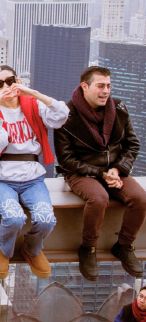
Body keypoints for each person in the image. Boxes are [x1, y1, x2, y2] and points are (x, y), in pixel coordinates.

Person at [54, 66, 145, 281]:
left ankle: (124, 245)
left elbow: (132, 144)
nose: (106, 91)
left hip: (114, 170)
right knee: (98, 198)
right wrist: (101, 173)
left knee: (140, 198)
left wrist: (117, 169)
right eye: (100, 86)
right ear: (85, 86)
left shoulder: (119, 109)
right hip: (81, 172)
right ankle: (88, 248)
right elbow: (66, 160)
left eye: (109, 86)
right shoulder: (67, 116)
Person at [0, 65, 69, 280]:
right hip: (0, 179)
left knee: (46, 219)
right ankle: (4, 250)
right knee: (13, 217)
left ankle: (32, 248)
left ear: (18, 81)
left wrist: (32, 93)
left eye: (10, 81)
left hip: (33, 178)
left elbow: (61, 115)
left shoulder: (33, 106)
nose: (5, 87)